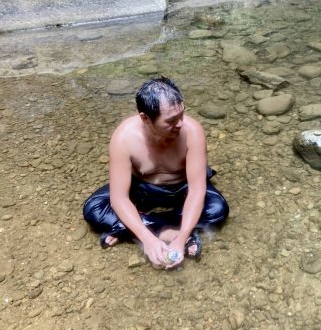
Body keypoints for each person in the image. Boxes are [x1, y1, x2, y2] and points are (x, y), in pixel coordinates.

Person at [82, 77, 229, 269]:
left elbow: (196, 190)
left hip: (182, 188)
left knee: (218, 209)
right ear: (145, 118)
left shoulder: (192, 131)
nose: (179, 124)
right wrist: (147, 240)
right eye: (170, 121)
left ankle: (133, 228)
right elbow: (119, 198)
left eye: (181, 115)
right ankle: (164, 232)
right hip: (142, 189)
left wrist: (182, 237)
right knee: (93, 209)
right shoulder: (124, 137)